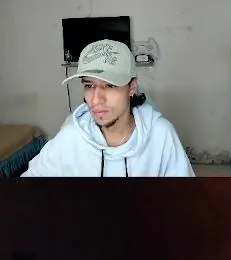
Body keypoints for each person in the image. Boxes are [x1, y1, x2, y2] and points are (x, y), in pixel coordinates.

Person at [22, 39, 194, 177]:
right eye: (89, 85)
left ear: (132, 87)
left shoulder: (160, 135)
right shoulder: (71, 137)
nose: (96, 99)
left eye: (110, 85)